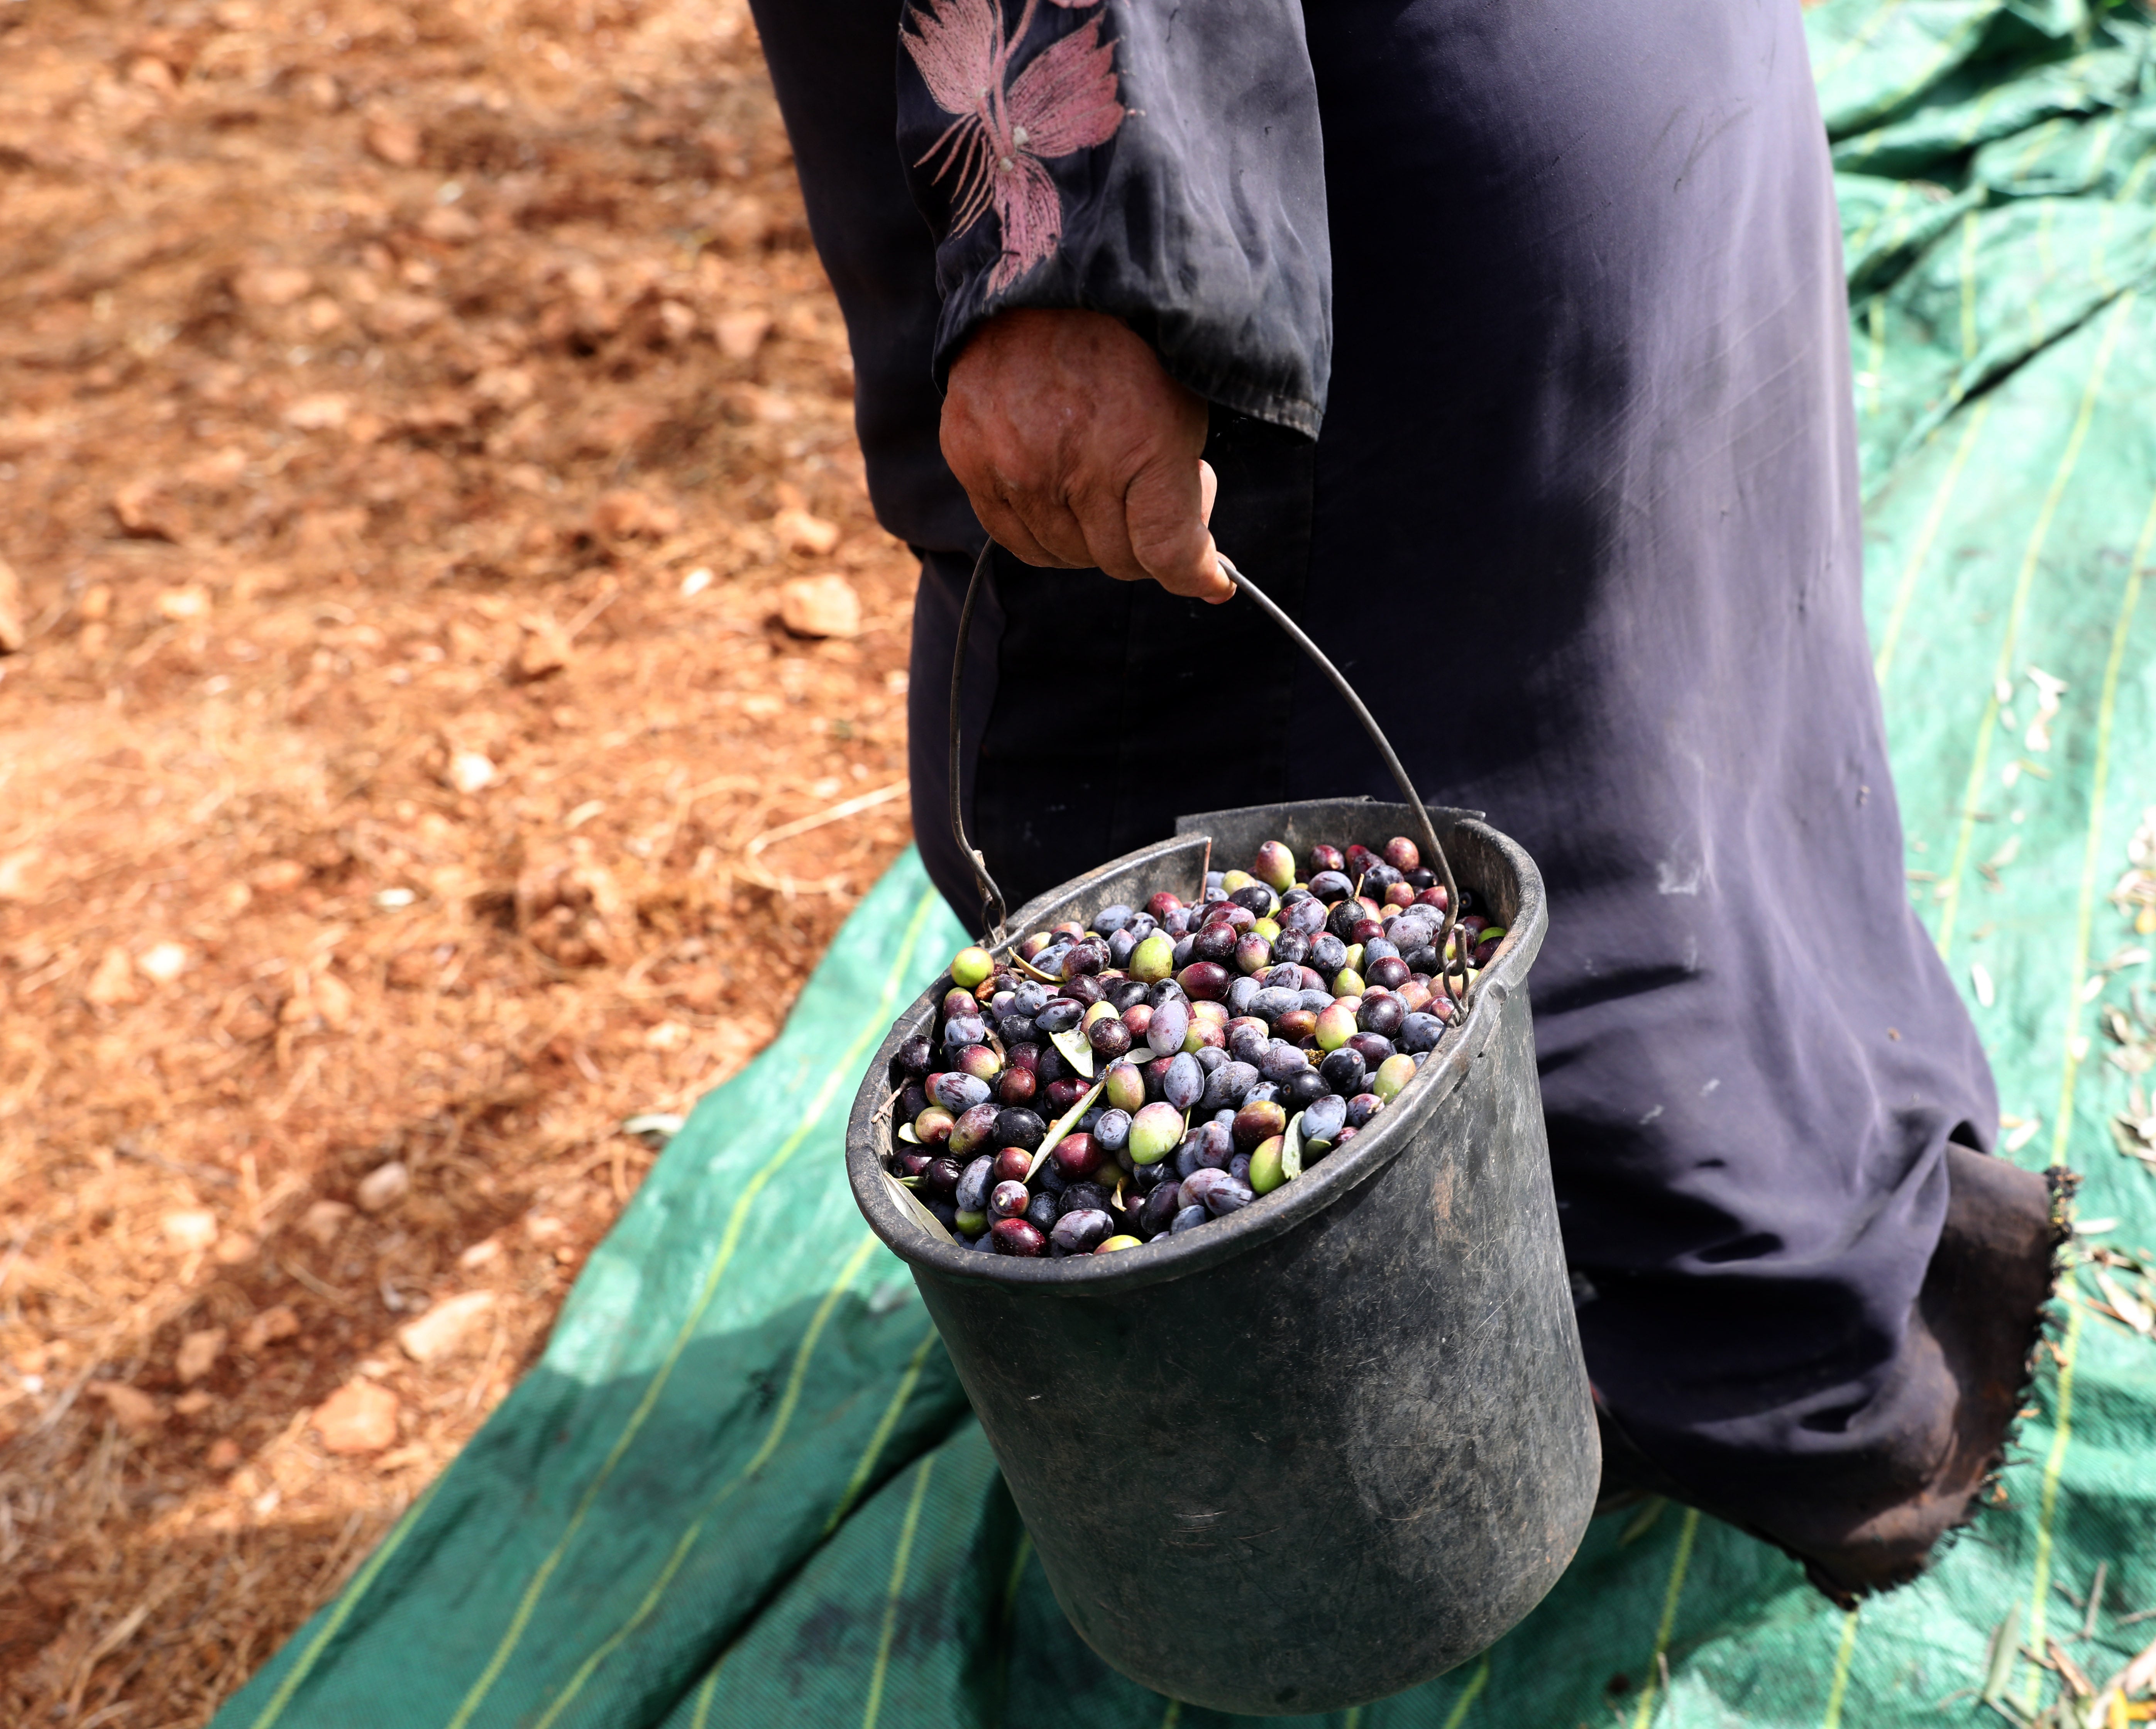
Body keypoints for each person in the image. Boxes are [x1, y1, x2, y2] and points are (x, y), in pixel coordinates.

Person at [744, 0, 2063, 1602]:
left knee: (1182, 759)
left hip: (1299, 171)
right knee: (1625, 728)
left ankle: (1566, 1408)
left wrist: (1073, 253)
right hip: (1592, 88)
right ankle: (1794, 1302)